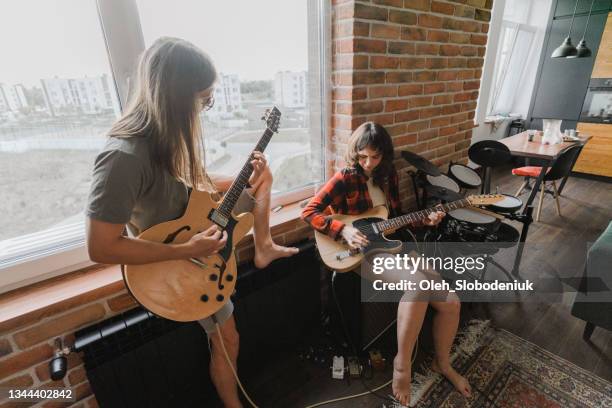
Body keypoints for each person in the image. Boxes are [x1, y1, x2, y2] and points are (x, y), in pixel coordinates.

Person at [86, 37, 298, 408]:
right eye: (202, 100)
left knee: (265, 179)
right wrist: (189, 249)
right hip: (180, 261)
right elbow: (101, 247)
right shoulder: (122, 158)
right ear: (175, 97)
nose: (204, 109)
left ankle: (262, 245)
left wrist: (243, 174)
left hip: (198, 242)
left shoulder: (166, 139)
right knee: (227, 338)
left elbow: (191, 180)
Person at [301, 122, 471, 406]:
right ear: (355, 152)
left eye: (375, 157)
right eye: (363, 156)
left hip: (390, 245)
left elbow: (394, 219)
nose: (368, 163)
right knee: (418, 286)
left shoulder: (388, 176)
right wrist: (341, 230)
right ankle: (401, 367)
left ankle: (443, 363)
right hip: (361, 253)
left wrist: (424, 219)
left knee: (452, 302)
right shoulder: (344, 178)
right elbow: (309, 211)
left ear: (385, 155)